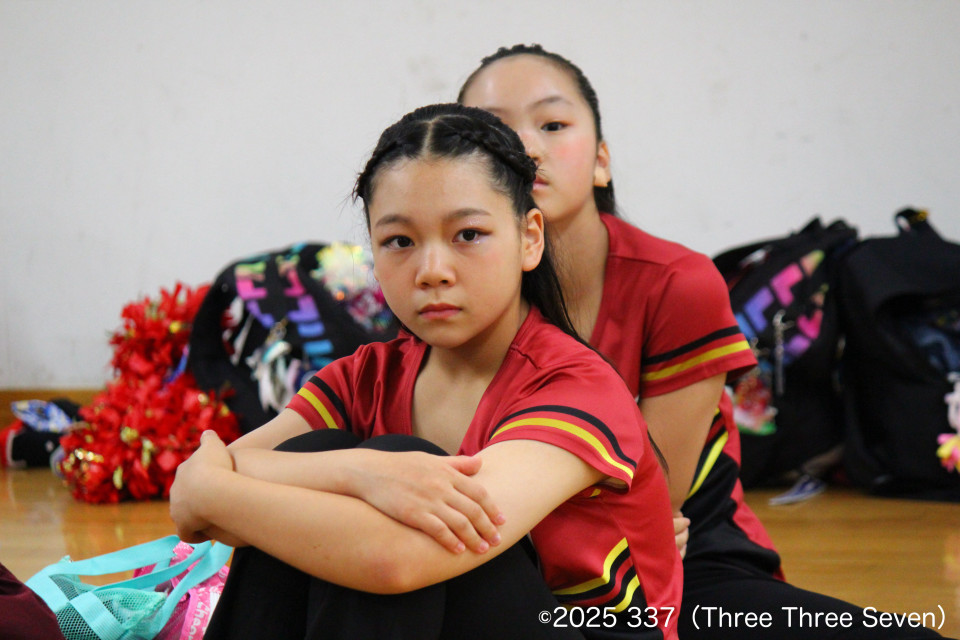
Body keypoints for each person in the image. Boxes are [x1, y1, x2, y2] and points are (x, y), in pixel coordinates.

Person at [452, 43, 945, 639]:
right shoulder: (446, 290)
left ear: (602, 161)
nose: (528, 148)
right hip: (510, 565)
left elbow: (649, 508)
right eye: (495, 134)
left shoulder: (677, 283)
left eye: (553, 124)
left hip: (686, 565)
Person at [169, 103, 682, 639]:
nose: (432, 272)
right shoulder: (364, 377)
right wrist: (356, 473)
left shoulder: (577, 386)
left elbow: (396, 562)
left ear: (530, 238)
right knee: (322, 457)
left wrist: (215, 491)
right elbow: (196, 489)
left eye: (468, 234)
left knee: (389, 482)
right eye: (399, 242)